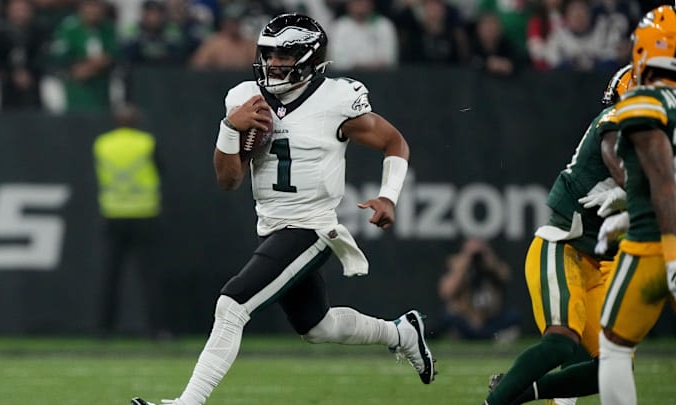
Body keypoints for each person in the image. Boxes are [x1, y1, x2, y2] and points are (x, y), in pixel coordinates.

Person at [132, 13, 434, 405]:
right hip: (274, 227)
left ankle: (187, 403)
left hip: (312, 227)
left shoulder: (337, 99)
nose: (274, 62)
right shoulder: (245, 98)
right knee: (318, 327)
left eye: (285, 54)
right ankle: (401, 332)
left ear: (310, 57)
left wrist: (389, 195)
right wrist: (229, 128)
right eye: (269, 53)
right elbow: (228, 181)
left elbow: (395, 142)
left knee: (232, 304)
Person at [483, 63, 633, 405]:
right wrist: (639, 189)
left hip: (597, 264)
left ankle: (521, 391)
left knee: (615, 367)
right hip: (562, 245)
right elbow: (618, 157)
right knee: (561, 341)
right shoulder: (616, 120)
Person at [598, 6, 676, 404]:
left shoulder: (645, 100)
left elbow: (664, 182)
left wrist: (671, 255)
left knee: (613, 344)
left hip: (655, 242)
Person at [93, 103, 167, 338]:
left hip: (113, 213)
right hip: (144, 214)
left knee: (110, 276)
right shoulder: (146, 143)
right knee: (149, 276)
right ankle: (157, 329)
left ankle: (104, 329)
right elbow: (161, 171)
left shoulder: (102, 144)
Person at [436, 238, 521, 341]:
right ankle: (461, 335)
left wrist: (489, 260)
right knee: (447, 318)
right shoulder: (457, 266)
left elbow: (506, 277)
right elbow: (447, 292)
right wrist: (463, 265)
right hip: (465, 320)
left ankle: (493, 336)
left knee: (514, 316)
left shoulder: (490, 267)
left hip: (489, 319)